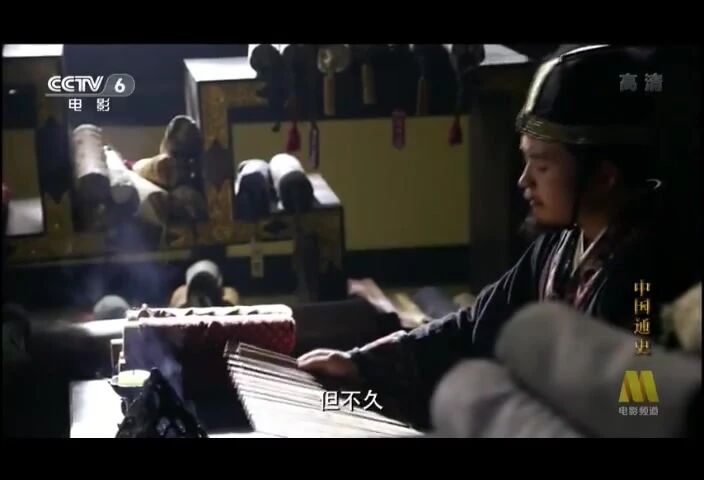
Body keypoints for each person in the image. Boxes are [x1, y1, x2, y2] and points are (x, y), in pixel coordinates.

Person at [297, 45, 698, 429]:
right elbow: (478, 325)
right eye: (525, 161)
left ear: (604, 177)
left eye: (541, 166)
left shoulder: (654, 273)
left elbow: (640, 411)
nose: (524, 180)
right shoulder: (558, 246)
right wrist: (362, 365)